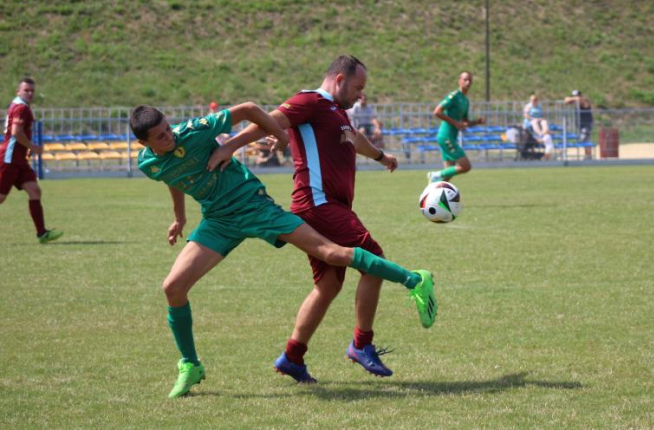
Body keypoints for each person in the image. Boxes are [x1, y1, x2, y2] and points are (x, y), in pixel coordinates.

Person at [130, 101, 436, 397]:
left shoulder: (195, 130)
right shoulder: (148, 163)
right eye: (160, 136)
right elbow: (172, 175)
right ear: (145, 144)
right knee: (173, 287)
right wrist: (180, 217)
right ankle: (191, 365)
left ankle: (414, 279)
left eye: (168, 128)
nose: (169, 136)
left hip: (255, 207)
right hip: (218, 221)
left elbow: (248, 108)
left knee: (331, 253)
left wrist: (279, 135)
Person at [209, 55, 429, 383]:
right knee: (374, 260)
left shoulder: (337, 111)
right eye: (358, 87)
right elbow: (269, 120)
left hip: (328, 205)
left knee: (328, 285)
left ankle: (292, 357)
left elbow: (355, 140)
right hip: (319, 203)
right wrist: (231, 147)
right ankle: (361, 345)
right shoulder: (309, 101)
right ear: (339, 79)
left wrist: (383, 156)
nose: (360, 95)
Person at [0, 77, 63, 243]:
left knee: (35, 190)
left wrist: (26, 147)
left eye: (32, 90)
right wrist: (33, 146)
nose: (29, 93)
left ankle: (42, 233)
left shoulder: (20, 105)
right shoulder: (21, 107)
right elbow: (15, 132)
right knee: (1, 197)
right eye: (26, 90)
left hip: (19, 159)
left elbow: (18, 133)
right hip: (9, 159)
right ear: (18, 91)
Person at [427, 71, 484, 183]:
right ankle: (435, 174)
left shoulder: (465, 101)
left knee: (448, 175)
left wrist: (477, 122)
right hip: (446, 136)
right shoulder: (453, 96)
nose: (468, 82)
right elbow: (437, 112)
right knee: (466, 166)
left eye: (470, 80)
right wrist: (455, 123)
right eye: (465, 79)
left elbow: (464, 123)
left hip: (451, 137)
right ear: (459, 81)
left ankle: (436, 196)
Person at [564, 90, 594, 160]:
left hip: (587, 124)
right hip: (581, 125)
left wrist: (574, 99)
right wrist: (571, 100)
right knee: (586, 140)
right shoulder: (576, 102)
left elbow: (580, 101)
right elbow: (566, 100)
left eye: (576, 96)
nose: (575, 97)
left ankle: (588, 155)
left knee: (583, 138)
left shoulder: (585, 102)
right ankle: (588, 155)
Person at [523, 94, 554, 160]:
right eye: (533, 100)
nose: (534, 101)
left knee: (544, 121)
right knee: (535, 122)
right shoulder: (528, 106)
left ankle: (545, 131)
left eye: (535, 100)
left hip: (538, 119)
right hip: (530, 121)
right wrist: (533, 118)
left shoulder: (539, 106)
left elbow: (541, 114)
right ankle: (540, 134)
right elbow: (526, 115)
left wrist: (540, 118)